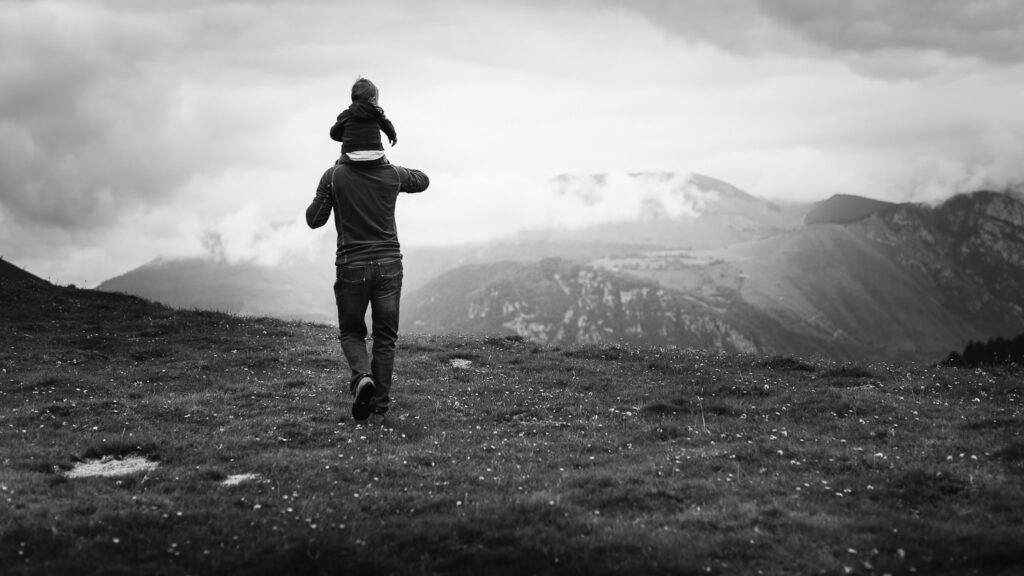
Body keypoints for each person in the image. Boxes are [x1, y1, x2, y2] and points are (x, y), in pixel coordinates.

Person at [305, 157, 429, 425]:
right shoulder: (392, 174)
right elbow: (422, 180)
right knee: (385, 338)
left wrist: (333, 180)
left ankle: (362, 377)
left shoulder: (334, 176)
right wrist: (386, 166)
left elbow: (314, 219)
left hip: (352, 266)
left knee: (351, 332)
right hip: (389, 265)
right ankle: (378, 411)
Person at [330, 77, 397, 165]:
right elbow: (387, 125)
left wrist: (345, 137)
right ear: (373, 100)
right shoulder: (376, 114)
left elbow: (333, 133)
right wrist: (393, 136)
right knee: (387, 164)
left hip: (350, 157)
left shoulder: (346, 115)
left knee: (337, 166)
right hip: (376, 157)